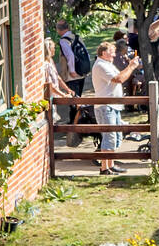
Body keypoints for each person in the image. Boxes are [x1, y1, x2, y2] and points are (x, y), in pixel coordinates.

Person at [91, 40, 141, 175]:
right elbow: (118, 79)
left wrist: (130, 66)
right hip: (106, 107)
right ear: (103, 53)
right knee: (109, 137)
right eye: (111, 52)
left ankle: (110, 165)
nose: (114, 55)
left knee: (115, 136)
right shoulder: (101, 65)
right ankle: (104, 168)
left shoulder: (107, 64)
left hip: (113, 106)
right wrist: (131, 66)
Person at [56, 20, 86, 123]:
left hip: (72, 75)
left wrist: (72, 70)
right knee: (78, 98)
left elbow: (70, 55)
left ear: (59, 29)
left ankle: (75, 122)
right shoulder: (76, 37)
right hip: (81, 72)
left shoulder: (64, 40)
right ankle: (77, 120)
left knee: (73, 99)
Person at [42, 38, 72, 105]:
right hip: (51, 97)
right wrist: (63, 95)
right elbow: (50, 84)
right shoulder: (45, 65)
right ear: (48, 50)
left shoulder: (51, 60)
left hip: (56, 95)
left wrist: (67, 89)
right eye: (53, 48)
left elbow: (57, 77)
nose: (54, 50)